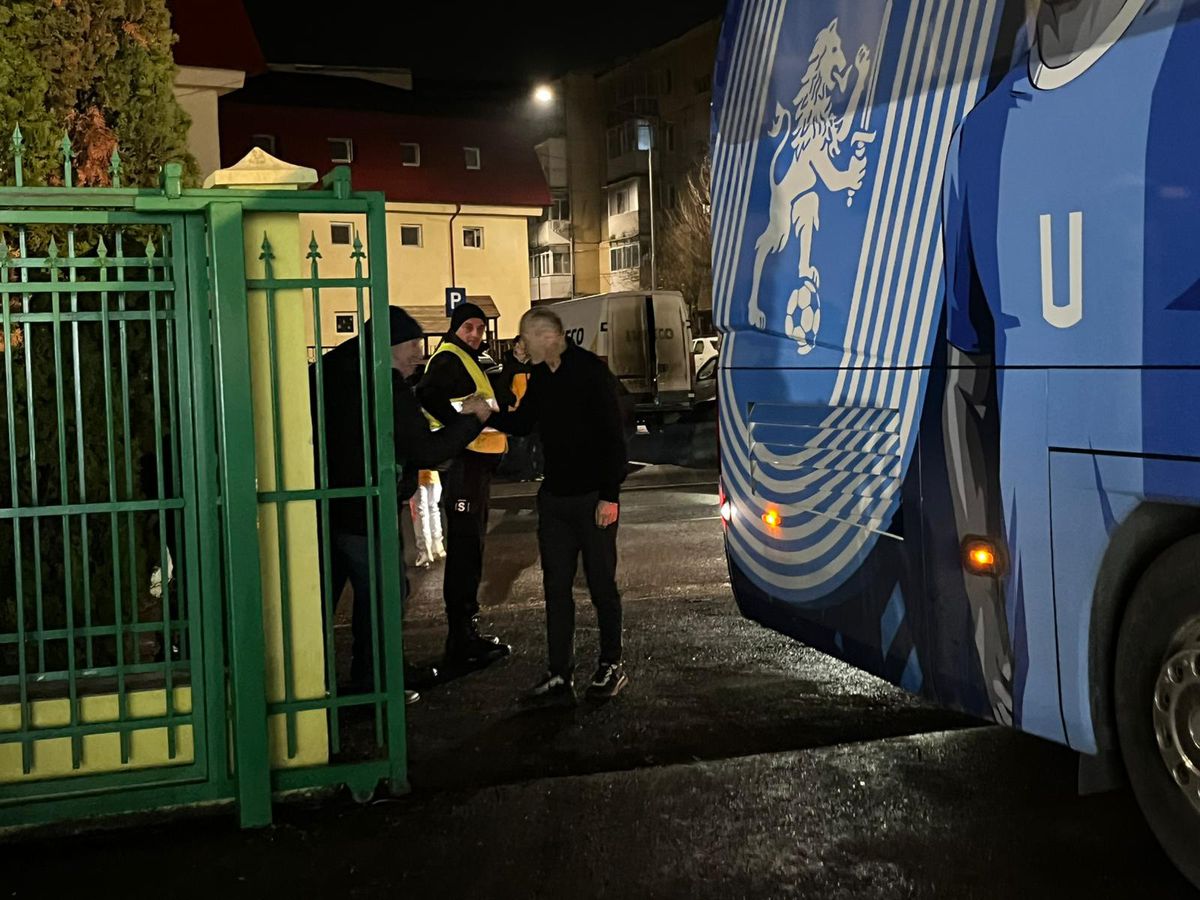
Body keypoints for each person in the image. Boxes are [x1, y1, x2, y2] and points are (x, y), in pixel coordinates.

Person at [310, 306, 492, 702]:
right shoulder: (384, 384)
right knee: (385, 595)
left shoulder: (330, 370)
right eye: (412, 346)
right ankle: (379, 678)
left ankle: (308, 684)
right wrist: (472, 418)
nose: (418, 355)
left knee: (320, 599)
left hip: (322, 503)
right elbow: (426, 449)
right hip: (366, 506)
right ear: (390, 345)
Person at [489, 307, 629, 703]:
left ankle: (611, 664)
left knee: (601, 584)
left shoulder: (589, 372)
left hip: (591, 497)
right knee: (556, 588)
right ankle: (559, 674)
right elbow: (522, 423)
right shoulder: (541, 376)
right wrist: (487, 410)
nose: (522, 344)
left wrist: (609, 496)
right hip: (555, 499)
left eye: (526, 337)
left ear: (549, 336)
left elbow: (613, 436)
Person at [417, 303, 512, 669]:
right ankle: (461, 638)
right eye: (468, 327)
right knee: (465, 552)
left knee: (470, 549)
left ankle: (466, 632)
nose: (475, 334)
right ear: (455, 328)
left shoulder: (470, 359)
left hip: (473, 467)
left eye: (480, 328)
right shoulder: (449, 358)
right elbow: (428, 395)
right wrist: (459, 427)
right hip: (464, 467)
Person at [494, 335, 542, 482]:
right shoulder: (510, 367)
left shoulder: (534, 365)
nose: (524, 348)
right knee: (520, 443)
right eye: (521, 345)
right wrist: (513, 401)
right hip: (517, 411)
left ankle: (536, 471)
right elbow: (502, 388)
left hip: (535, 411)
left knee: (536, 442)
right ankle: (520, 472)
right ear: (515, 347)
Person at [410, 469, 445, 568]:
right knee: (433, 508)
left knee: (420, 512)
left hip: (417, 475)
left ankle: (425, 551)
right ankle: (437, 547)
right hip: (434, 474)